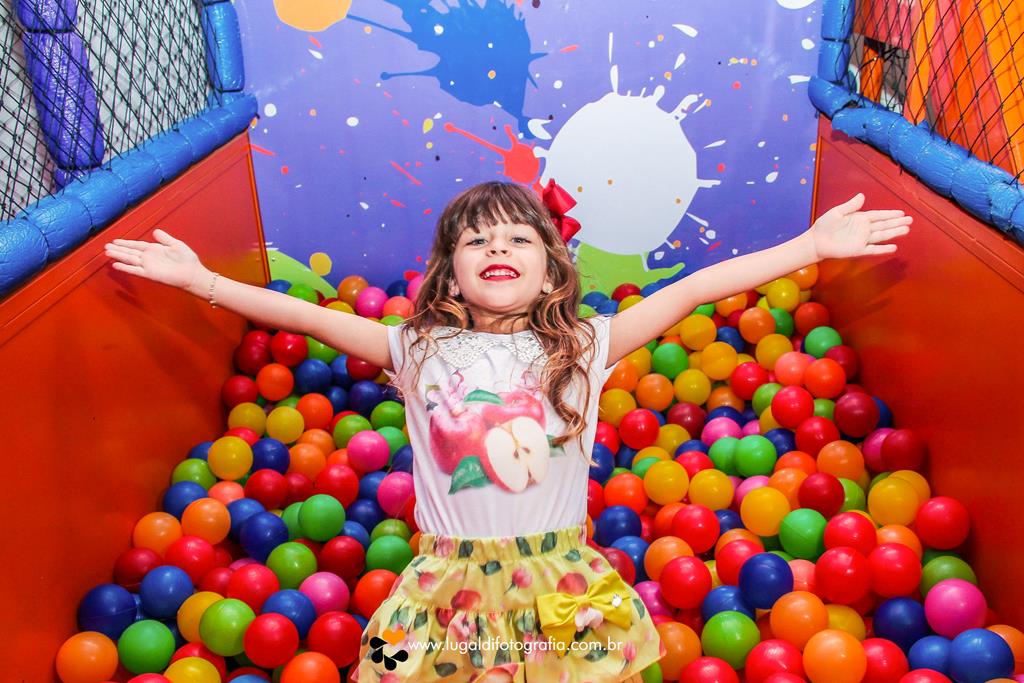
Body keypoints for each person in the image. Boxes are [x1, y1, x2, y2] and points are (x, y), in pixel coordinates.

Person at [104, 181, 911, 682]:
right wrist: (203, 280)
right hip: (440, 589)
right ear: (448, 268)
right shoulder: (417, 346)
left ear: (553, 266)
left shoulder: (585, 344)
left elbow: (694, 288)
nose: (497, 246)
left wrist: (808, 246)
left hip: (558, 585)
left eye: (518, 236)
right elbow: (306, 313)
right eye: (476, 238)